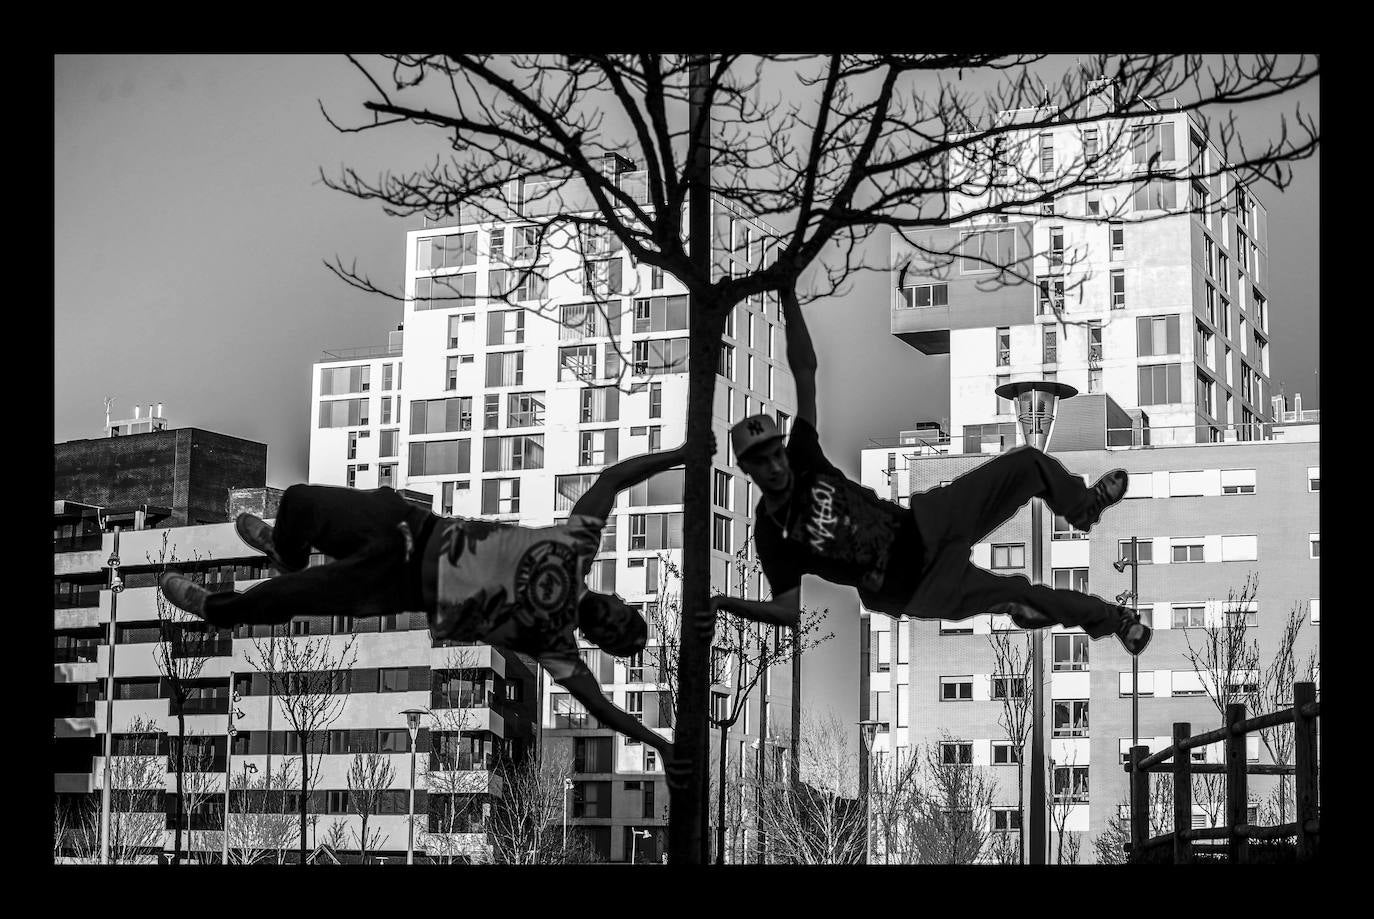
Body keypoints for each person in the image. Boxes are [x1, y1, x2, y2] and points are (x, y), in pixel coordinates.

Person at [159, 440, 713, 776]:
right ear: (616, 600)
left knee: (291, 597)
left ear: (600, 642)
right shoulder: (579, 547)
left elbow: (605, 712)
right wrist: (682, 457)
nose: (614, 623)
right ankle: (286, 549)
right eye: (624, 618)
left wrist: (658, 743)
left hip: (398, 586)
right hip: (406, 525)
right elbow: (612, 480)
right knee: (301, 500)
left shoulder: (555, 647)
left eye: (616, 636)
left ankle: (217, 608)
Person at [705, 289, 1151, 656]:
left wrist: (788, 293)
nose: (777, 466)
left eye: (777, 454)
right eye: (763, 463)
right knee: (1021, 593)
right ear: (747, 470)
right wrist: (726, 604)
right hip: (914, 588)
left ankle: (1082, 507)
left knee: (1026, 461)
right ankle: (1117, 621)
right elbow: (786, 612)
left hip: (925, 524)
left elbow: (806, 371)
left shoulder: (802, 456)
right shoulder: (772, 534)